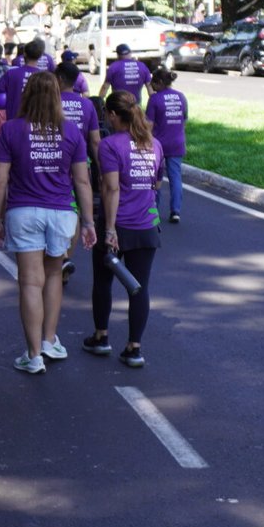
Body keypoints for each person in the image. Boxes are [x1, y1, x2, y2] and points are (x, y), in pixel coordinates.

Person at [0, 72, 97, 374]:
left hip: (23, 212)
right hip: (62, 213)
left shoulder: (11, 130)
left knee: (29, 282)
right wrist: (88, 222)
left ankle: (33, 355)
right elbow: (82, 181)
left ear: (27, 96)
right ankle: (50, 341)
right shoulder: (72, 131)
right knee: (53, 276)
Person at [87, 91, 163, 368]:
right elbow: (156, 185)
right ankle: (134, 348)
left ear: (113, 115)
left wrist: (108, 229)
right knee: (139, 288)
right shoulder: (154, 144)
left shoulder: (109, 145)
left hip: (118, 225)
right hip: (147, 226)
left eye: (107, 114)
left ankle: (101, 336)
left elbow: (110, 188)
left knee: (103, 282)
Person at [145, 68, 188, 224]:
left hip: (158, 145)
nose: (151, 86)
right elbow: (184, 119)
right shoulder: (181, 97)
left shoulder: (155, 100)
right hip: (177, 143)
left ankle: (154, 209)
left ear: (160, 83)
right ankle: (175, 211)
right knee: (175, 177)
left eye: (153, 83)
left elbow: (148, 124)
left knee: (155, 178)